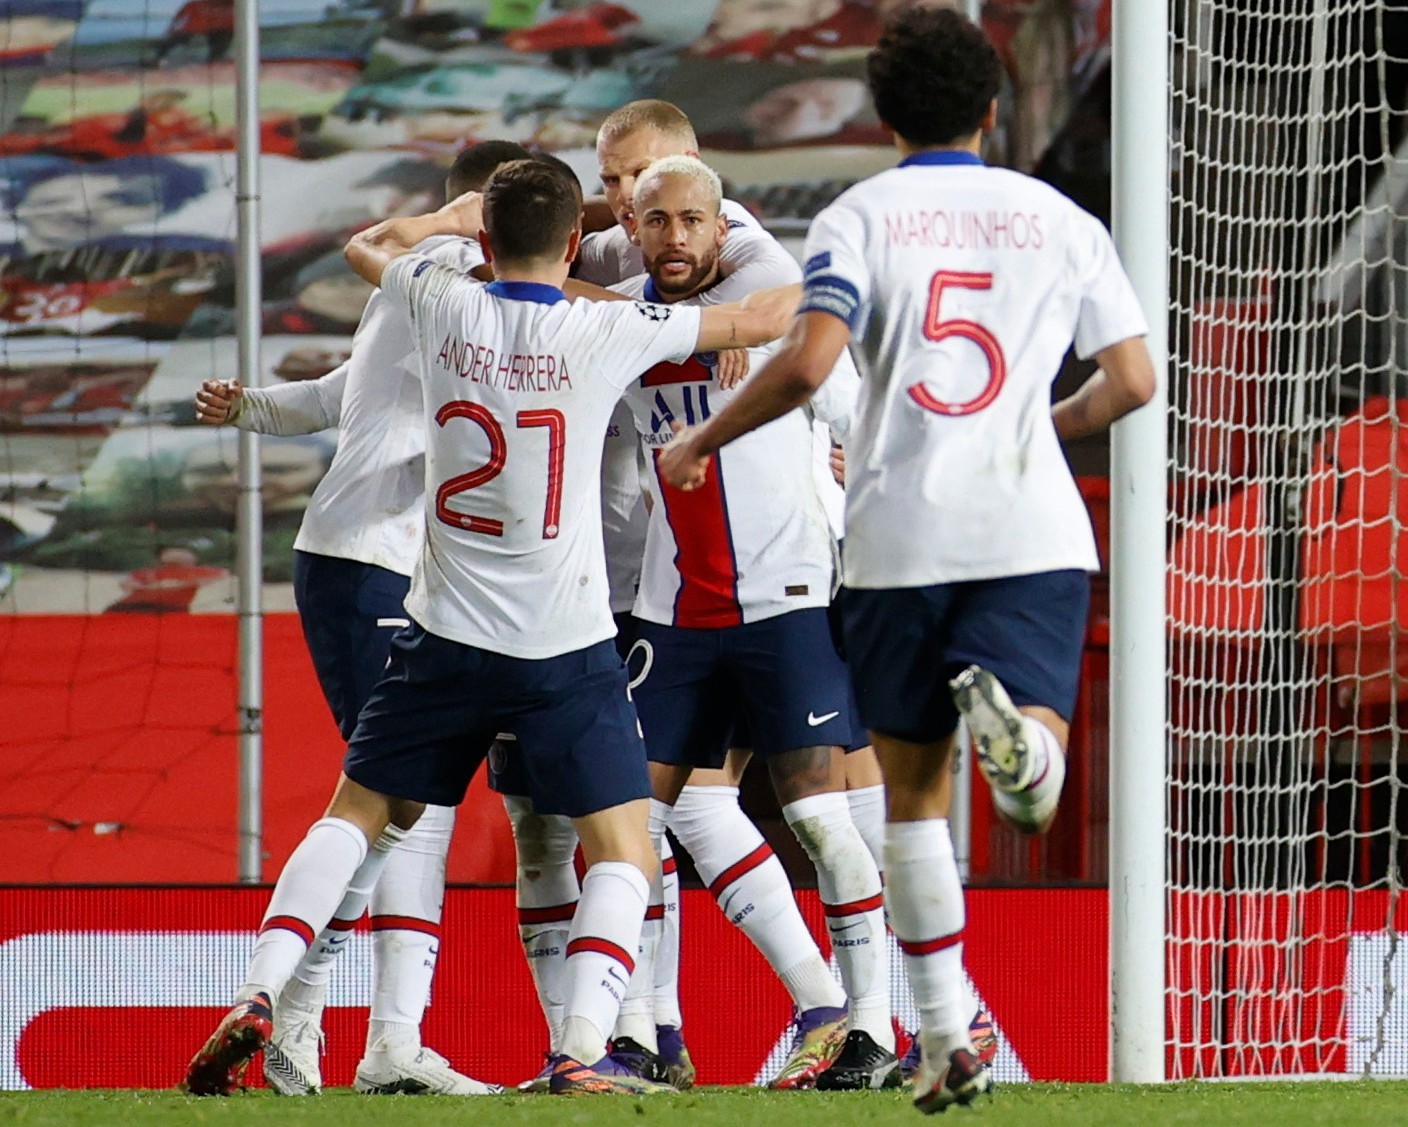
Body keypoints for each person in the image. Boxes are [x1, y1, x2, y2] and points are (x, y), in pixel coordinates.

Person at [180, 158, 800, 1097]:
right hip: (564, 646)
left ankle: (261, 994)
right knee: (626, 845)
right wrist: (729, 226)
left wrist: (448, 217)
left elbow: (371, 245)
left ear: (480, 240)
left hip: (440, 633)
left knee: (359, 812)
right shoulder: (608, 326)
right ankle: (580, 1050)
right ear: (571, 243)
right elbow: (762, 318)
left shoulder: (437, 298)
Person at [654, 9, 1155, 1111]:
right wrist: (1040, 425)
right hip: (1031, 530)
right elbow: (1130, 380)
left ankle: (938, 1037)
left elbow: (807, 361)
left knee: (914, 801)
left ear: (881, 117)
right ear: (990, 109)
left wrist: (700, 435)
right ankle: (1025, 749)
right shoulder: (1058, 218)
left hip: (896, 540)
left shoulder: (857, 216)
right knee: (1027, 771)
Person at [192, 140, 534, 1097]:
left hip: (387, 567)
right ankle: (316, 1018)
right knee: (389, 799)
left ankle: (340, 1025)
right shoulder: (450, 278)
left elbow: (347, 397)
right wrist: (445, 224)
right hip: (369, 563)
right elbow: (373, 251)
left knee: (405, 804)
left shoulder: (420, 284)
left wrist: (251, 407)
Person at [613, 154, 898, 1091]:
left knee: (816, 817)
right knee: (633, 826)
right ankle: (636, 1033)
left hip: (784, 602)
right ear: (635, 225)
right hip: (674, 615)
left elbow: (849, 402)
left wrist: (849, 469)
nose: (675, 239)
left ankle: (870, 1026)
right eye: (656, 222)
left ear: (720, 221)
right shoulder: (624, 324)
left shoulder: (775, 294)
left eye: (693, 221)